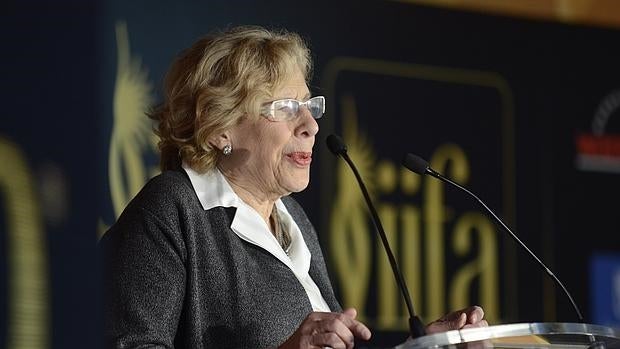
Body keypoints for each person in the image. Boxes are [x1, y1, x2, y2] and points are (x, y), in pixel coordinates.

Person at [101, 25, 488, 349]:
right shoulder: (172, 209)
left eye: (308, 106)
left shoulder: (292, 220)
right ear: (220, 126)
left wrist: (425, 345)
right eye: (285, 108)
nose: (311, 125)